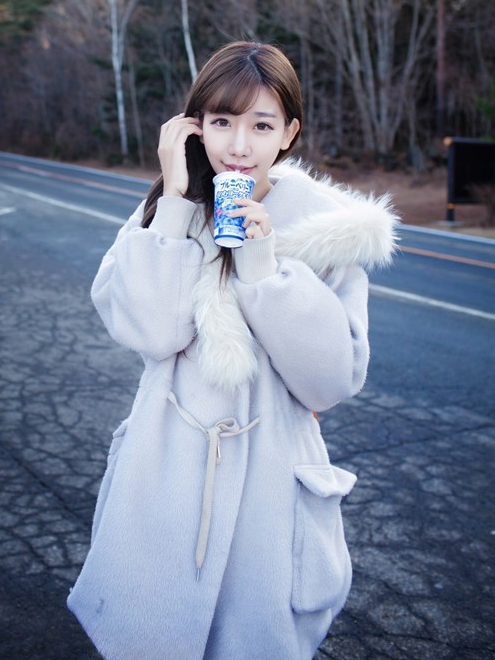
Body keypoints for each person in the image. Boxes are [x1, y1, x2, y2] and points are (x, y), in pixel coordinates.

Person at [67, 41, 397, 660]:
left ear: (289, 132)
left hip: (271, 491)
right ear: (194, 126)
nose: (239, 145)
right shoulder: (164, 210)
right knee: (151, 635)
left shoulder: (327, 232)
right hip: (167, 471)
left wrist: (264, 269)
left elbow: (330, 382)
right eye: (221, 122)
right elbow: (152, 332)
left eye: (261, 125)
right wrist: (171, 201)